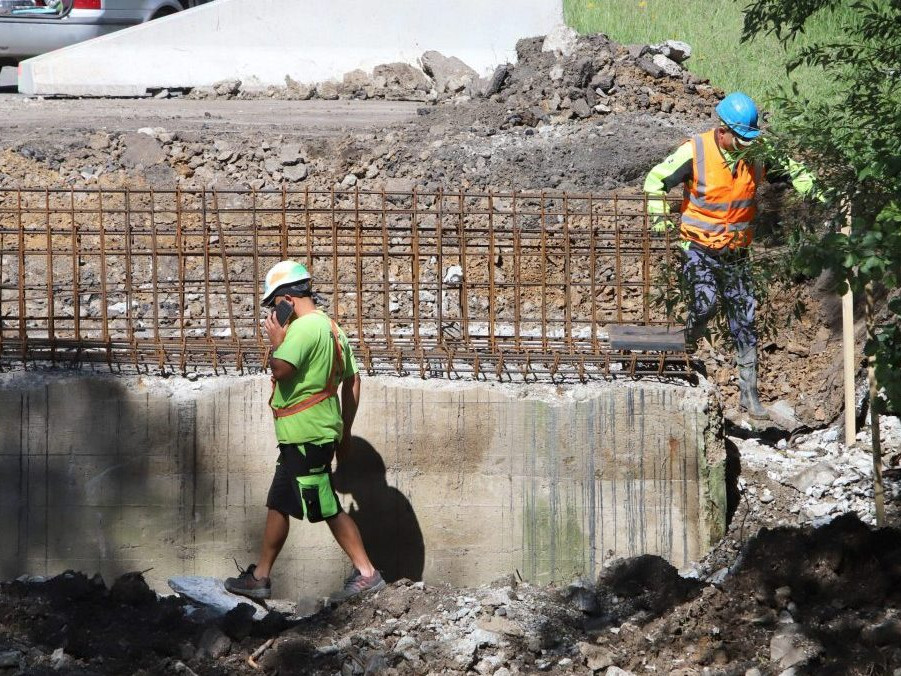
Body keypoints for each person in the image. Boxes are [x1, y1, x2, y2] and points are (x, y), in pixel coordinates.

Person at [644, 92, 819, 420]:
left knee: (744, 321)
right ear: (722, 130)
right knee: (706, 303)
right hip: (698, 249)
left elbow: (796, 171)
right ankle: (686, 345)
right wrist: (658, 220)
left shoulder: (756, 154)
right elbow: (654, 180)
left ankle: (748, 396)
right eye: (741, 139)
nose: (746, 146)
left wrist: (820, 192)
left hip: (736, 253)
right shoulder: (695, 151)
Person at [225, 260, 385, 602]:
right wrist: (344, 430)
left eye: (274, 306)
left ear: (286, 299)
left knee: (323, 505)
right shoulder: (332, 329)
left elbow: (281, 368)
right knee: (279, 502)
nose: (272, 314)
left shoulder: (301, 329)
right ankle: (261, 576)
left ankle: (367, 572)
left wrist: (277, 339)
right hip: (309, 435)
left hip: (306, 435)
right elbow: (353, 381)